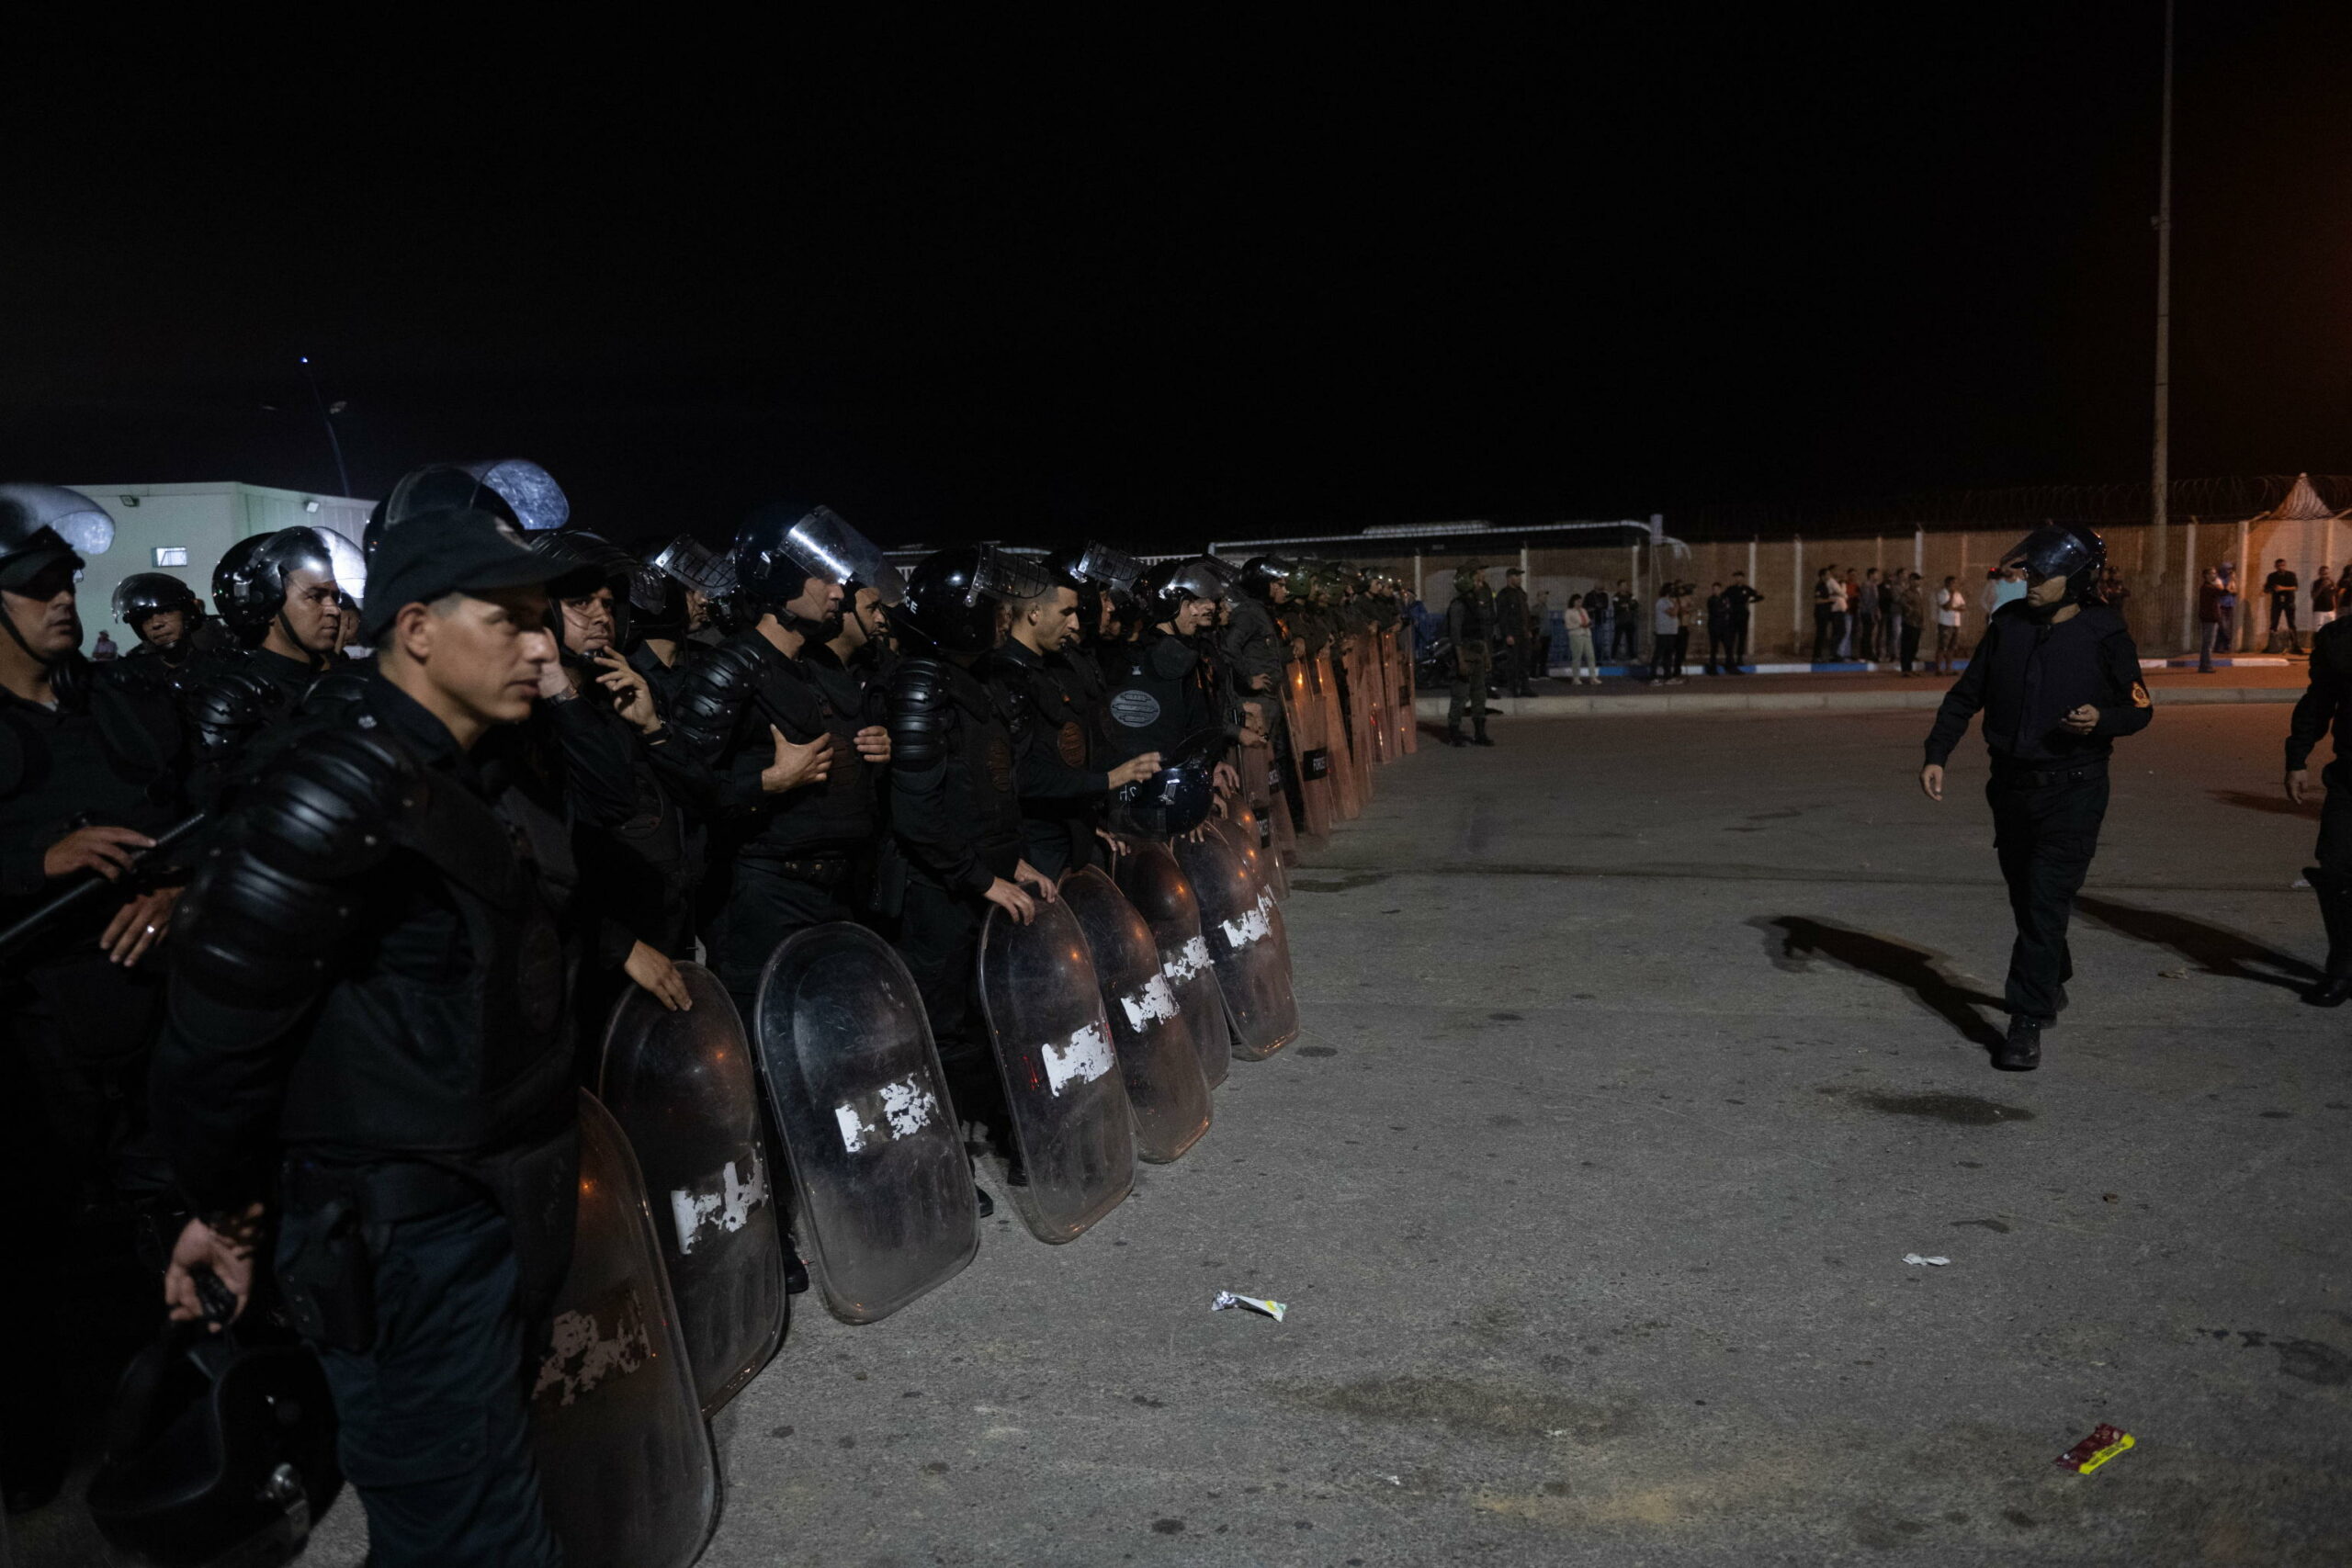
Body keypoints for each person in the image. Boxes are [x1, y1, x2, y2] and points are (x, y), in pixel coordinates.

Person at [153, 509, 581, 1565]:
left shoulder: (474, 760)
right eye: (514, 620)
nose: (544, 646)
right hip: (398, 1235)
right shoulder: (335, 778)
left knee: (477, 1502)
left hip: (485, 1202)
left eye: (547, 621)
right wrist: (228, 1213)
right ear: (419, 628)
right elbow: (217, 1032)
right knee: (466, 1537)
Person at [0, 484, 187, 1514]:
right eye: (34, 587)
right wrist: (40, 859)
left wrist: (179, 887)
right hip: (31, 1048)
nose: (62, 598)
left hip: (150, 1018)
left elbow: (193, 814)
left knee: (164, 1232)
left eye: (67, 579)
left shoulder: (118, 704)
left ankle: (167, 1420)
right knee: (38, 1262)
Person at [1918, 524, 2151, 1070]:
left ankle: (2025, 1021)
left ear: (2076, 579)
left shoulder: (2104, 631)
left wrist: (2102, 719)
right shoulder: (2008, 625)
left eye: (2043, 574)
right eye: (2031, 571)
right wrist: (1937, 752)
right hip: (2012, 788)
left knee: (2044, 902)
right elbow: (1966, 695)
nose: (2031, 581)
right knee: (2028, 898)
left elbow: (2139, 709)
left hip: (2075, 790)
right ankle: (2052, 975)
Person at [668, 504, 891, 1021]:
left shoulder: (818, 668)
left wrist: (880, 749)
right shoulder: (729, 669)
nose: (839, 591)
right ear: (780, 576)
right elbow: (682, 785)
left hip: (837, 892)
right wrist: (767, 781)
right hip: (764, 902)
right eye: (821, 576)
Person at [2286, 605, 2352, 1004]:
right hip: (2350, 777)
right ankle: (2342, 969)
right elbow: (2319, 701)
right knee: (2337, 870)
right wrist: (2297, 757)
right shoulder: (2340, 640)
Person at [1446, 561, 1498, 746]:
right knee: (1460, 696)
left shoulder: (1475, 604)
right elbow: (1455, 636)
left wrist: (1486, 656)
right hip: (1465, 655)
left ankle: (1480, 733)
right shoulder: (1458, 605)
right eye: (1477, 581)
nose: (1481, 585)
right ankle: (1454, 733)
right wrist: (1460, 661)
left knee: (1479, 695)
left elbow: (1481, 633)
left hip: (1477, 655)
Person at [1495, 567, 1533, 697]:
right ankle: (1513, 689)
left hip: (1523, 633)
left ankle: (1525, 688)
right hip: (1513, 634)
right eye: (1517, 576)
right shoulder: (1504, 594)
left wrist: (1528, 629)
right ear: (1509, 578)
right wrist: (1507, 634)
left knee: (1525, 661)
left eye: (1520, 576)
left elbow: (1525, 613)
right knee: (1513, 662)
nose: (1520, 579)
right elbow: (1502, 617)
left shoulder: (1520, 593)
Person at [1721, 571, 1762, 672]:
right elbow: (1722, 597)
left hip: (1743, 616)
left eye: (1740, 577)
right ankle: (1730, 658)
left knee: (1742, 637)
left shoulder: (1747, 589)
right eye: (1736, 577)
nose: (1738, 579)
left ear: (1743, 578)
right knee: (1731, 637)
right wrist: (1727, 606)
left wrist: (1751, 601)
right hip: (1733, 615)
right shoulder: (1731, 589)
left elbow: (1759, 596)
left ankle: (1740, 658)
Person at [2265, 558, 2303, 653]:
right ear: (2275, 566)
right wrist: (2273, 589)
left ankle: (2295, 646)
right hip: (2277, 602)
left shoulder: (2291, 575)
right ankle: (2271, 646)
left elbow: (2295, 587)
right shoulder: (2272, 576)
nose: (2280, 568)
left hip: (2289, 601)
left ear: (2285, 566)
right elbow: (2267, 589)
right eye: (2278, 566)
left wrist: (2283, 588)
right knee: (2274, 623)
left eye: (2282, 566)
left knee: (2291, 623)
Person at [1559, 592, 1597, 683]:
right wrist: (1579, 625)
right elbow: (1568, 625)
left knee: (1591, 656)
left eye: (1581, 601)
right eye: (1578, 601)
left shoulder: (1583, 610)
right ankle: (1576, 677)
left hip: (1586, 634)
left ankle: (1593, 677)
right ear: (1573, 602)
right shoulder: (1569, 612)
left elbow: (1587, 620)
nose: (1579, 603)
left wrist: (1588, 624)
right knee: (1577, 656)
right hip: (1576, 635)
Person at [1933, 575, 1966, 675]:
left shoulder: (1958, 594)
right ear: (1947, 583)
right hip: (1945, 623)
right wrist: (1951, 598)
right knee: (1942, 646)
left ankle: (1948, 668)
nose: (1954, 585)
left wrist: (1954, 608)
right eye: (1952, 583)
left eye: (1955, 583)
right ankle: (1938, 668)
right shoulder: (1942, 593)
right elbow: (1946, 607)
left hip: (1955, 623)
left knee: (1952, 647)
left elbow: (1963, 607)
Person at [1649, 582, 1681, 684]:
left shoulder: (1670, 601)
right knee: (1658, 655)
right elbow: (1673, 613)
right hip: (1663, 632)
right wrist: (1677, 604)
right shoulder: (1661, 602)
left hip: (1671, 632)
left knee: (1668, 655)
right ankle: (1652, 677)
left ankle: (1668, 677)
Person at [2196, 567, 2226, 673]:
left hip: (2209, 618)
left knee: (2207, 643)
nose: (2215, 575)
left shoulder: (2207, 587)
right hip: (2210, 618)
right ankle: (2205, 666)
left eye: (2215, 573)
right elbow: (2224, 592)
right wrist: (2231, 580)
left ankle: (2204, 665)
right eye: (2212, 573)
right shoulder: (2208, 588)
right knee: (2208, 644)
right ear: (2206, 575)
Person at [1895, 570, 1926, 676]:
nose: (1919, 583)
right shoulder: (1907, 593)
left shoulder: (1917, 593)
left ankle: (1910, 668)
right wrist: (1910, 610)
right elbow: (1902, 603)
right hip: (1909, 623)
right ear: (1911, 581)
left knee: (1914, 647)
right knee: (1907, 647)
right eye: (1917, 580)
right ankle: (1905, 669)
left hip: (1917, 624)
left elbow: (1920, 609)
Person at [1812, 566, 1840, 661]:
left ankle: (1820, 655)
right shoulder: (1820, 585)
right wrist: (1829, 600)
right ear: (1822, 576)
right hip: (1821, 613)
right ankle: (1816, 656)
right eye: (1827, 574)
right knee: (1820, 635)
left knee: (1823, 635)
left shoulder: (1826, 585)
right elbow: (1818, 600)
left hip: (1826, 613)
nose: (1829, 576)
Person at [1609, 579, 1640, 663]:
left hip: (1629, 621)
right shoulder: (1616, 596)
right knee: (1617, 639)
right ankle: (1613, 657)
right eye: (1622, 585)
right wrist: (1628, 606)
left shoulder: (1631, 595)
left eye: (1625, 585)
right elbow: (1617, 606)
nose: (1624, 587)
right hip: (1620, 621)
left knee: (1630, 640)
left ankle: (1633, 658)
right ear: (1619, 587)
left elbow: (1636, 604)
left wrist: (1626, 606)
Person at [2214, 562, 2239, 652]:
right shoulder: (2218, 579)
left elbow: (2235, 591)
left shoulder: (2230, 579)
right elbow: (2225, 590)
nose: (2229, 571)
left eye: (2230, 569)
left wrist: (2232, 582)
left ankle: (2219, 647)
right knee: (2223, 626)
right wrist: (2230, 582)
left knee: (2225, 627)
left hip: (2229, 605)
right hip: (2221, 605)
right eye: (2228, 569)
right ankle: (2227, 643)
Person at [2312, 567, 2338, 634]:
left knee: (2331, 631)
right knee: (2319, 630)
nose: (2325, 575)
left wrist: (2335, 608)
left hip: (2330, 611)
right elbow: (2313, 597)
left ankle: (2329, 644)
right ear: (2319, 574)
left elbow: (2333, 596)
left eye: (2326, 573)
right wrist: (2321, 587)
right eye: (2323, 574)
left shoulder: (2331, 583)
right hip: (2319, 611)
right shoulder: (2316, 583)